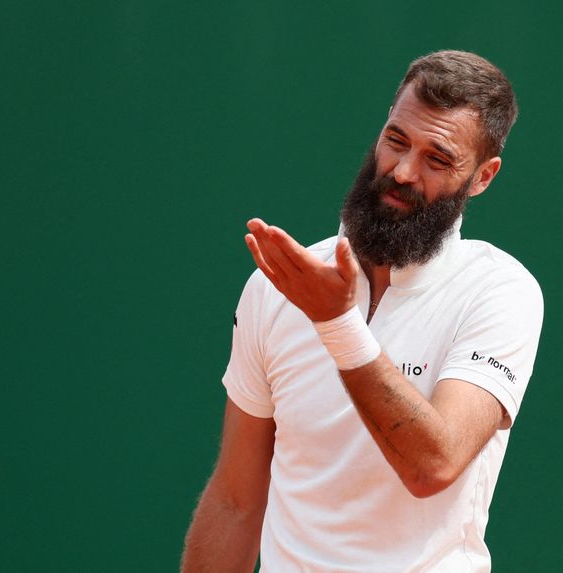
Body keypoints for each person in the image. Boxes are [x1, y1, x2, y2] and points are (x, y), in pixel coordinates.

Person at [181, 50, 544, 572]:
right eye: (396, 140)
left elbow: (433, 465)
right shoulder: (276, 286)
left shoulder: (500, 291)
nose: (401, 171)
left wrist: (336, 323)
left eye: (437, 160)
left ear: (482, 177)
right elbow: (236, 500)